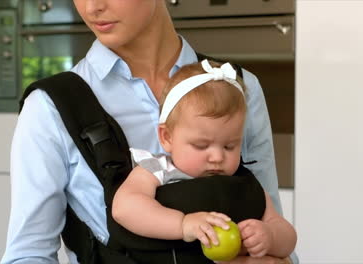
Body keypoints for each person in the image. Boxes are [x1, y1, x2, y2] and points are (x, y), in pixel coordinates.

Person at [2, 0, 298, 263]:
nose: (92, 7)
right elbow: (28, 254)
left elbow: (273, 230)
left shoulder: (239, 88)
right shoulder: (51, 107)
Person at [111, 59, 297, 261]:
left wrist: (270, 235)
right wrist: (182, 224)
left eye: (230, 146)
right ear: (167, 137)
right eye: (201, 146)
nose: (217, 157)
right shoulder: (157, 169)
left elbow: (285, 233)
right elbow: (125, 208)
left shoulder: (244, 182)